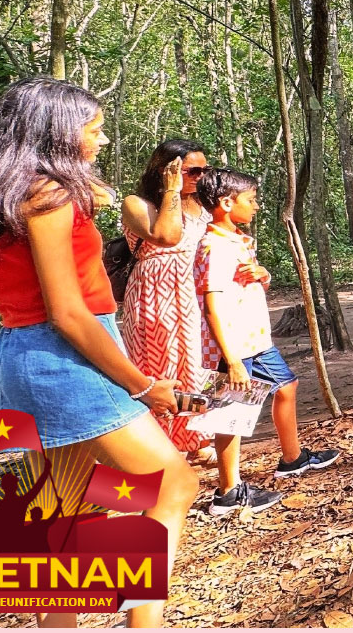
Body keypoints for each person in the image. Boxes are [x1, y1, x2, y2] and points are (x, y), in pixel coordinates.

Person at [0, 77, 198, 628]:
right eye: (94, 130)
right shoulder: (49, 195)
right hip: (64, 357)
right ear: (57, 133)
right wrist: (142, 384)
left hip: (24, 355)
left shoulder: (22, 191)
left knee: (61, 509)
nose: (102, 140)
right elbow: (68, 311)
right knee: (174, 482)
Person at [195, 169, 340, 515]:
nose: (257, 206)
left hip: (256, 341)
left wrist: (264, 275)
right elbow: (212, 307)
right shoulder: (213, 245)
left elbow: (251, 282)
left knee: (286, 386)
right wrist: (230, 361)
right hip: (233, 347)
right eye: (251, 200)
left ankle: (293, 458)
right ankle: (228, 493)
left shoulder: (236, 240)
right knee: (230, 414)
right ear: (226, 203)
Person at [120, 139, 215, 465]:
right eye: (193, 170)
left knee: (195, 370)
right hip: (155, 298)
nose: (201, 176)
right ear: (166, 170)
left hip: (195, 296)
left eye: (206, 170)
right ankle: (160, 450)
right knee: (159, 372)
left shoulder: (201, 205)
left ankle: (195, 438)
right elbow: (166, 236)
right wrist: (171, 191)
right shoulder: (136, 203)